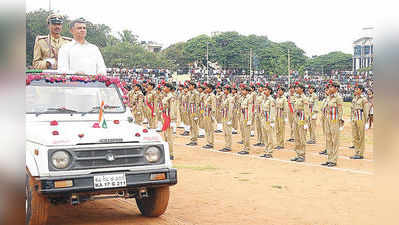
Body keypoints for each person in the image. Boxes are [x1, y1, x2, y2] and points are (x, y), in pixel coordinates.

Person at [321, 82, 343, 167]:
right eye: (329, 87)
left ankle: (334, 160)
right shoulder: (328, 97)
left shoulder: (338, 98)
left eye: (331, 87)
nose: (329, 88)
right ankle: (329, 159)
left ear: (336, 88)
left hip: (334, 120)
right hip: (327, 119)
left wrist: (340, 121)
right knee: (328, 139)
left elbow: (340, 110)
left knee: (335, 140)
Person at [291, 83, 309, 162]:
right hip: (296, 118)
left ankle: (302, 155)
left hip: (302, 118)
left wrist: (305, 122)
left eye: (298, 88)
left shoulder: (304, 98)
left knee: (302, 137)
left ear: (302, 89)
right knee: (297, 137)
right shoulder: (297, 97)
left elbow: (306, 111)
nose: (296, 89)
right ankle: (298, 154)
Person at [350, 85, 369, 159]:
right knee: (355, 136)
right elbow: (352, 109)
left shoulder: (364, 99)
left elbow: (366, 111)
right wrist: (351, 118)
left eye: (357, 89)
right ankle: (356, 152)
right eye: (355, 89)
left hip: (360, 118)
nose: (355, 90)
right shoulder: (354, 98)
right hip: (354, 118)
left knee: (361, 136)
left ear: (361, 90)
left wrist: (366, 121)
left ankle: (361, 153)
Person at [161, 83, 177, 160]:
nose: (163, 88)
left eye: (165, 87)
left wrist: (173, 120)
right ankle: (167, 152)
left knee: (169, 137)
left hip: (169, 118)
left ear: (169, 88)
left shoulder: (171, 97)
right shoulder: (166, 96)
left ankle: (170, 154)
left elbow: (172, 109)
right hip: (164, 117)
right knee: (165, 137)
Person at [260, 86, 276, 158]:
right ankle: (266, 150)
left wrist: (272, 121)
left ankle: (270, 151)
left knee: (270, 136)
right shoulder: (264, 99)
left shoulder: (271, 100)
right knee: (265, 136)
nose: (264, 91)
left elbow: (272, 111)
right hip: (264, 118)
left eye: (265, 90)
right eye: (264, 90)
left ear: (269, 91)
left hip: (268, 120)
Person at [237, 86, 253, 155]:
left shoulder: (249, 97)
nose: (242, 91)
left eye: (243, 90)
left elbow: (249, 109)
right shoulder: (242, 97)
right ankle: (244, 147)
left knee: (246, 133)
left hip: (246, 116)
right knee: (243, 132)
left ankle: (247, 148)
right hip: (242, 116)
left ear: (247, 91)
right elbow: (239, 104)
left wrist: (249, 119)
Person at [219, 85, 234, 152]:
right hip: (224, 115)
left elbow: (231, 109)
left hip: (228, 116)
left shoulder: (230, 98)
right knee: (225, 132)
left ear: (228, 90)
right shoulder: (224, 97)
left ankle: (228, 146)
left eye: (225, 89)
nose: (223, 91)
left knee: (228, 132)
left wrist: (230, 119)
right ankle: (226, 145)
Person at [186, 81, 200, 146]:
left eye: (190, 85)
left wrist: (197, 114)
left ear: (193, 86)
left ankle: (195, 140)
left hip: (194, 111)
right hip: (190, 111)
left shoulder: (196, 93)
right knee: (191, 126)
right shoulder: (189, 93)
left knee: (194, 126)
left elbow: (197, 103)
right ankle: (192, 139)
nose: (189, 87)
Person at [203, 83, 216, 149]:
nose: (206, 89)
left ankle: (211, 143)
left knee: (210, 129)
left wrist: (213, 115)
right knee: (207, 128)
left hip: (210, 113)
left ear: (211, 89)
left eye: (207, 88)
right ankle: (208, 142)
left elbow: (213, 106)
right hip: (206, 113)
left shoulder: (212, 96)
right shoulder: (206, 95)